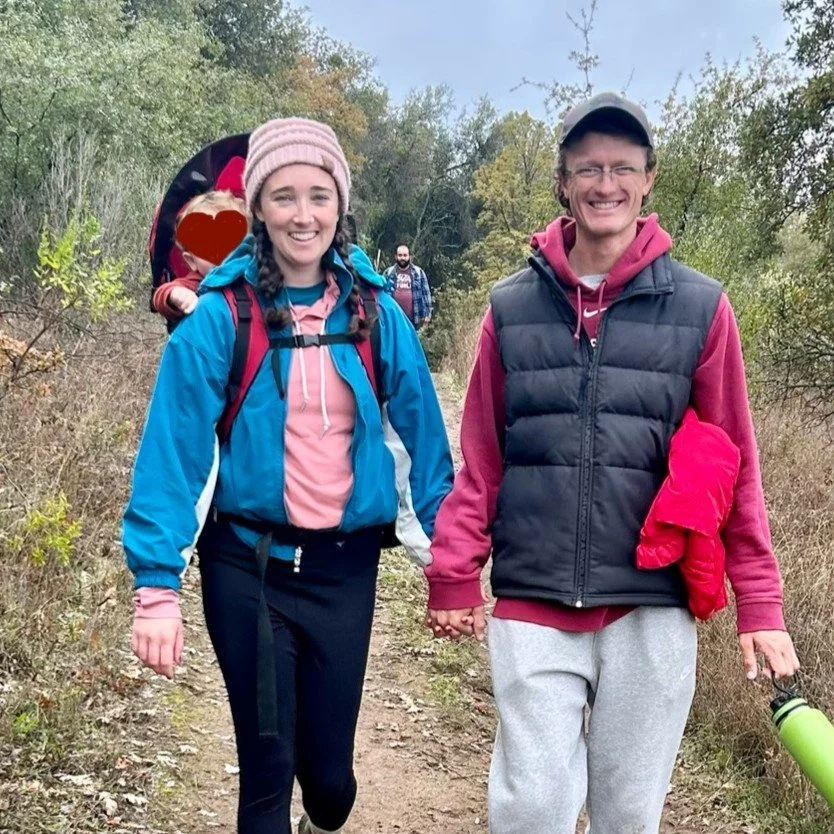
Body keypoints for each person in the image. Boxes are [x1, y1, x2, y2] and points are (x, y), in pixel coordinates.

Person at [425, 92, 800, 833]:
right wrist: (453, 571)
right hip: (534, 597)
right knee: (530, 810)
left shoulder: (702, 308)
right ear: (563, 181)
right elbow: (482, 459)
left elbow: (735, 467)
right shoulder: (510, 307)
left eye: (622, 167)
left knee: (630, 814)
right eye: (588, 168)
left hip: (651, 603)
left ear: (649, 178)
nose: (605, 184)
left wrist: (760, 600)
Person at [124, 117, 453, 834]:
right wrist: (156, 590)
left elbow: (424, 441)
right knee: (267, 770)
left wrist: (449, 564)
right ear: (258, 208)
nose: (302, 215)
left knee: (329, 784)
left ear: (339, 206)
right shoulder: (220, 317)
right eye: (283, 196)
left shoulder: (375, 313)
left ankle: (324, 813)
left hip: (345, 568)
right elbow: (172, 456)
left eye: (318, 195)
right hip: (247, 564)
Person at [151, 188, 248, 318]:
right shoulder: (195, 284)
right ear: (192, 261)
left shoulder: (254, 276)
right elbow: (161, 294)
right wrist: (176, 294)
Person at [383, 244, 432, 329]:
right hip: (393, 318)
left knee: (411, 341)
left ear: (410, 256)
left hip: (413, 318)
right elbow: (382, 294)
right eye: (400, 255)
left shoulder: (418, 272)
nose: (402, 258)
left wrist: (427, 314)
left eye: (405, 255)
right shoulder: (388, 273)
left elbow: (426, 293)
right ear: (396, 257)